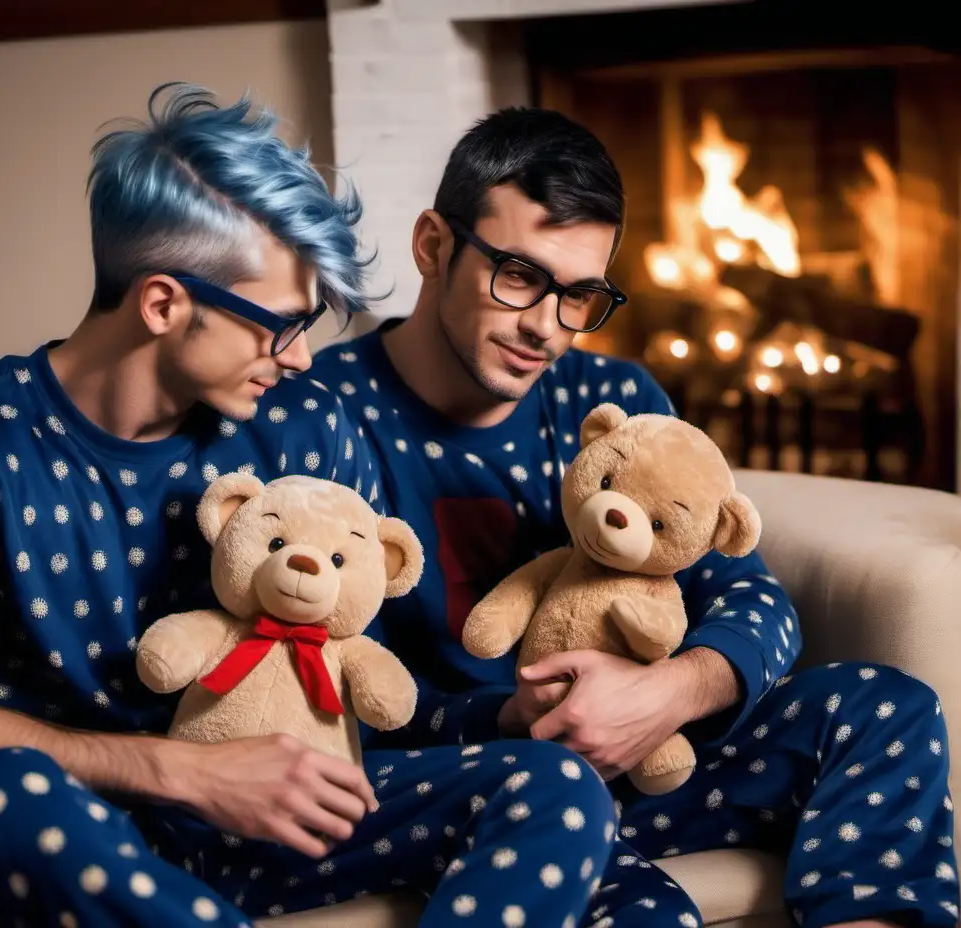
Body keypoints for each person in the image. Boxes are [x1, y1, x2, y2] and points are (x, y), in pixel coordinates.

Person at [0, 83, 620, 928]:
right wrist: (185, 774)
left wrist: (505, 712)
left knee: (554, 786)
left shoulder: (306, 424)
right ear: (165, 303)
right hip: (83, 833)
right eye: (280, 325)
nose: (300, 358)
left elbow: (364, 685)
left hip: (288, 816)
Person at [312, 106, 960, 928]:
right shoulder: (323, 416)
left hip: (648, 763)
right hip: (472, 795)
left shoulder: (613, 401)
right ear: (434, 245)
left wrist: (668, 694)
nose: (548, 326)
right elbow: (318, 688)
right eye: (518, 275)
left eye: (581, 294)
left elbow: (752, 598)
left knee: (886, 708)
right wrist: (507, 719)